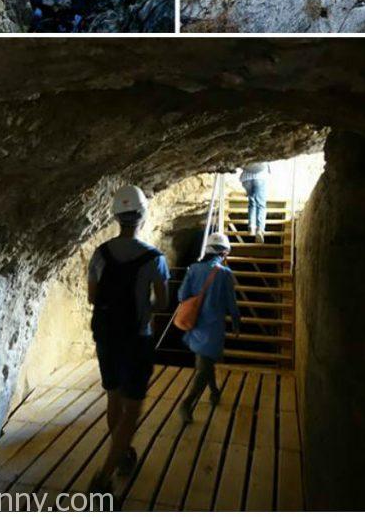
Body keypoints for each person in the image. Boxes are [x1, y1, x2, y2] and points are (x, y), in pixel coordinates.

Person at [87, 184, 171, 493]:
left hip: (107, 336)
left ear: (115, 216)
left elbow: (92, 297)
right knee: (132, 409)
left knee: (114, 398)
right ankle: (104, 475)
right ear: (143, 216)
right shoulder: (155, 258)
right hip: (137, 338)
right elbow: (162, 303)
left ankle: (121, 456)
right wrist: (142, 306)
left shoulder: (100, 254)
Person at [178, 232, 241, 422]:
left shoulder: (193, 269)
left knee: (205, 362)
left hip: (195, 325)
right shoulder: (225, 274)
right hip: (213, 329)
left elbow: (181, 295)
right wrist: (236, 323)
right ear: (223, 253)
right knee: (205, 367)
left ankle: (214, 392)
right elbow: (231, 303)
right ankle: (186, 404)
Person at [239, 162, 271, 242]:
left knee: (252, 203)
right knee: (261, 205)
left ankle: (251, 226)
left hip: (246, 179)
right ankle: (260, 229)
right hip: (260, 177)